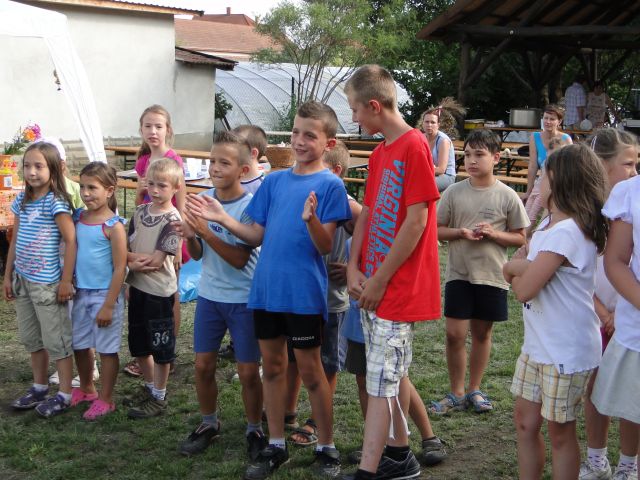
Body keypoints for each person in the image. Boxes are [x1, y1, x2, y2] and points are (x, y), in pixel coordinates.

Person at [188, 100, 352, 480]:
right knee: (273, 369)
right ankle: (275, 444)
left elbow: (324, 246)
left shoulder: (331, 185)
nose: (299, 141)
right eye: (295, 132)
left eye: (310, 135)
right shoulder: (274, 182)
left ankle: (327, 448)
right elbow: (254, 235)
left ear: (328, 143)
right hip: (265, 293)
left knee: (311, 372)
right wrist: (221, 217)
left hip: (303, 295)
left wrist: (311, 220)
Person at [343, 64, 441, 480]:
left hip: (394, 290)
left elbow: (417, 221)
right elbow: (366, 215)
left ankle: (369, 469)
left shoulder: (414, 145)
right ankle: (399, 455)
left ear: (374, 105)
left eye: (355, 110)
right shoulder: (381, 152)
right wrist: (353, 266)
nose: (354, 118)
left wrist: (380, 279)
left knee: (381, 383)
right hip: (372, 285)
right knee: (388, 374)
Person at [504, 144, 609, 480]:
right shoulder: (550, 224)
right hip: (538, 345)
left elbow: (524, 289)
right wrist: (523, 267)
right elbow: (528, 273)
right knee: (525, 421)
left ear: (560, 180)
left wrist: (512, 267)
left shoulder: (568, 231)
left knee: (560, 433)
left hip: (565, 351)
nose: (538, 181)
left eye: (543, 175)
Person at [177, 132, 265, 459]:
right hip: (209, 297)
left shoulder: (249, 206)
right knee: (202, 365)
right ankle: (208, 423)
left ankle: (255, 428)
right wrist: (191, 236)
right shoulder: (202, 199)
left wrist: (205, 231)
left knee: (247, 372)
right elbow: (198, 254)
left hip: (243, 299)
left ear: (243, 170)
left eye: (224, 163)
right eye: (212, 161)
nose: (215, 168)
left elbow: (240, 259)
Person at [432, 129, 528, 416]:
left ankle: (474, 389)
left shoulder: (507, 195)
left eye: (479, 155)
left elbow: (520, 237)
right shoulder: (453, 192)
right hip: (459, 274)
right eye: (467, 155)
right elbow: (436, 230)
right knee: (454, 334)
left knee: (482, 333)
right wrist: (460, 232)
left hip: (492, 276)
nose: (471, 161)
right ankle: (456, 392)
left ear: (496, 158)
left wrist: (495, 234)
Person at [286, 141, 360, 447]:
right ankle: (287, 411)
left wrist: (354, 267)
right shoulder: (302, 193)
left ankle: (317, 420)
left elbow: (370, 226)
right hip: (299, 296)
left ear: (336, 172)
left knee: (327, 362)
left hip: (331, 299)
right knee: (293, 357)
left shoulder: (344, 201)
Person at [580, 129, 639, 480]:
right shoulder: (589, 213)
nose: (633, 171)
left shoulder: (627, 201)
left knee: (631, 395)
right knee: (598, 389)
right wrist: (604, 312)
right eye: (627, 163)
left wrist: (620, 311)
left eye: (636, 163)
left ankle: (629, 463)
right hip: (599, 315)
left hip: (624, 313)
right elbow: (581, 272)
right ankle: (597, 458)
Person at [4, 142, 76, 418]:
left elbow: (71, 241)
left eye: (38, 166)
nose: (32, 172)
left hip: (48, 285)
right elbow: (15, 241)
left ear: (53, 169)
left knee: (57, 340)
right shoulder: (22, 201)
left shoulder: (56, 202)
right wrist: (8, 275)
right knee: (32, 339)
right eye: (27, 166)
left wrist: (66, 281)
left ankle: (65, 394)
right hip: (23, 280)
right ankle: (39, 387)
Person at [124, 104, 186, 378]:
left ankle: (166, 354)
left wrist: (179, 246)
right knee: (143, 295)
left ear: (167, 130)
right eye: (147, 126)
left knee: (168, 294)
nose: (153, 131)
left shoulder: (173, 160)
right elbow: (141, 201)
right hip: (147, 231)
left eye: (158, 126)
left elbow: (181, 203)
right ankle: (146, 356)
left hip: (170, 233)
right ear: (141, 129)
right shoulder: (142, 161)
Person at [35, 137, 100, 389]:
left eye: (44, 165)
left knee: (78, 316)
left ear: (60, 165)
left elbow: (87, 226)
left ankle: (90, 368)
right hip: (52, 264)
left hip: (75, 263)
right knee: (60, 318)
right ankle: (64, 365)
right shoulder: (37, 193)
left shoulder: (75, 191)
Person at [123, 158, 182, 419]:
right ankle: (149, 387)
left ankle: (159, 395)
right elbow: (124, 248)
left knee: (160, 346)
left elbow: (157, 262)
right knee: (139, 343)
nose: (155, 190)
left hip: (159, 293)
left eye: (162, 185)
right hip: (137, 288)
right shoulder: (139, 213)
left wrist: (128, 261)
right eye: (151, 184)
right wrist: (129, 264)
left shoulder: (173, 220)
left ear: (176, 187)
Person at [70, 162, 127, 420]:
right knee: (80, 344)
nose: (86, 193)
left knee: (106, 349)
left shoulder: (114, 226)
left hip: (105, 296)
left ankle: (106, 398)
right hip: (80, 293)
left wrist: (108, 304)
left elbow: (120, 267)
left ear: (109, 190)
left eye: (92, 188)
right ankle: (87, 388)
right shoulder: (78, 219)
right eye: (82, 187)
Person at [218, 124, 269, 361]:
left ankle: (250, 353)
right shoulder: (227, 184)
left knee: (248, 310)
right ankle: (235, 344)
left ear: (252, 153)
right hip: (225, 263)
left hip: (252, 263)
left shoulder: (260, 187)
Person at [522, 104, 572, 207]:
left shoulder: (566, 139)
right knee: (528, 210)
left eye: (552, 119)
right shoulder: (535, 137)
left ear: (559, 122)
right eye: (545, 118)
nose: (548, 122)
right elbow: (533, 166)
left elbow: (570, 168)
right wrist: (528, 191)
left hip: (559, 186)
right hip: (542, 183)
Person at [418, 97, 466, 193]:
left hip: (446, 176)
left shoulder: (443, 140)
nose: (429, 125)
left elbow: (441, 170)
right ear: (422, 124)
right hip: (429, 173)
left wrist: (420, 171)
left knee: (422, 184)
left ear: (438, 125)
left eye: (433, 122)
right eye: (427, 122)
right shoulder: (421, 138)